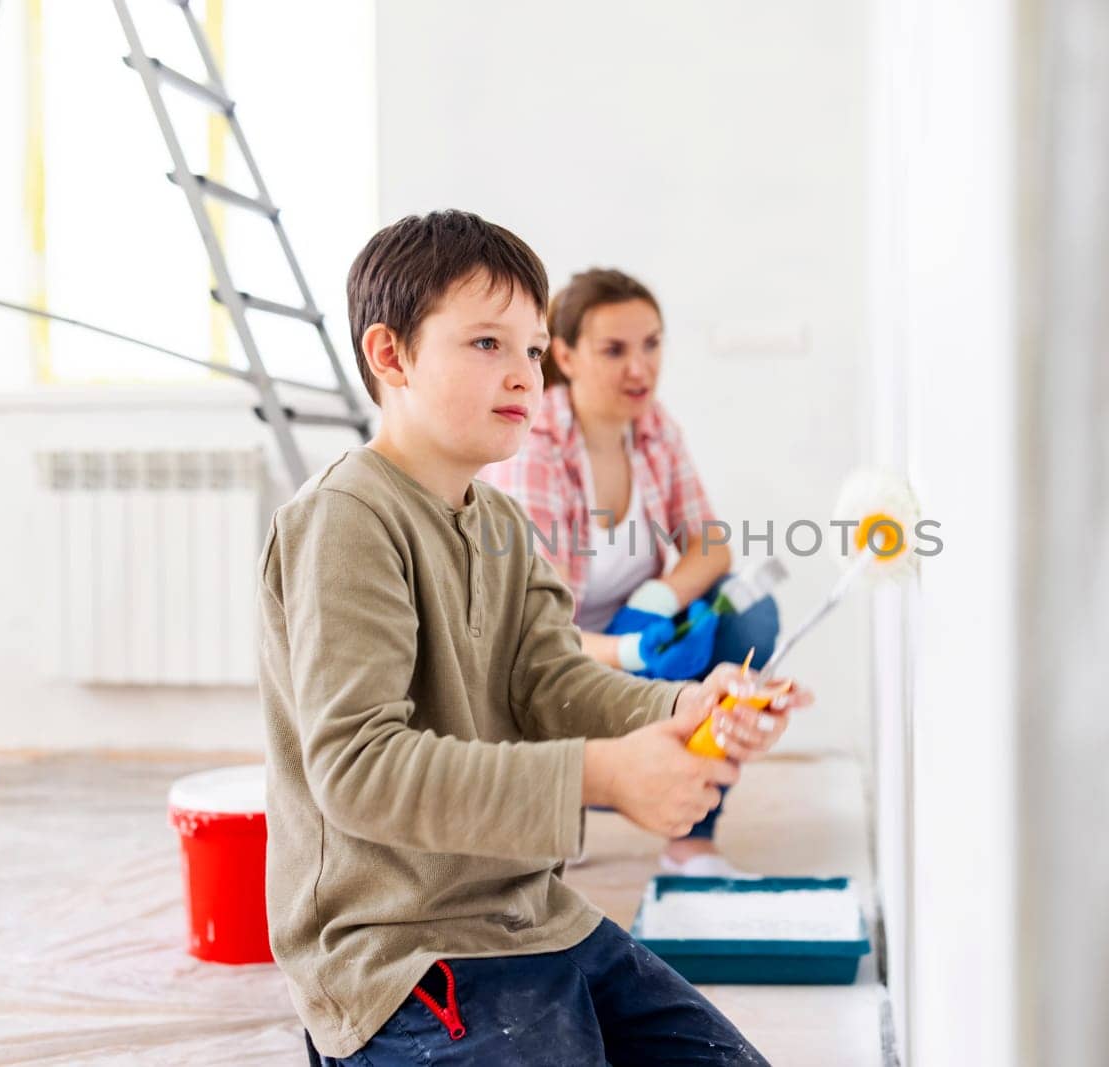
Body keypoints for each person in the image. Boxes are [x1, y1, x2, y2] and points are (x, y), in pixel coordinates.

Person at [259, 211, 809, 1065]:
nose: (523, 373)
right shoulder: (346, 520)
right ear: (391, 354)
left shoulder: (501, 522)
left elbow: (553, 679)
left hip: (530, 913)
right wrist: (604, 773)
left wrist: (684, 701)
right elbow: (357, 770)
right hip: (400, 952)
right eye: (487, 343)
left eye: (532, 347)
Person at [482, 268, 780, 878]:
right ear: (563, 354)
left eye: (652, 344)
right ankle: (563, 800)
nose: (639, 369)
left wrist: (655, 597)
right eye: (614, 350)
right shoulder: (535, 446)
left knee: (748, 613)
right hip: (535, 650)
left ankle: (692, 839)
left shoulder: (653, 428)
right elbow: (526, 629)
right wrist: (627, 648)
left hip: (635, 633)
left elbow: (711, 545)